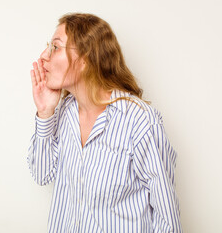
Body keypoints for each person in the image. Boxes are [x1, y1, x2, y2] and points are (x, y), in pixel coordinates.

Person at [27, 13, 182, 233]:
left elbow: (167, 216)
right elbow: (42, 174)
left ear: (85, 58)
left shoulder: (139, 120)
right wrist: (45, 112)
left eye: (55, 47)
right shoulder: (64, 112)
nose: (43, 56)